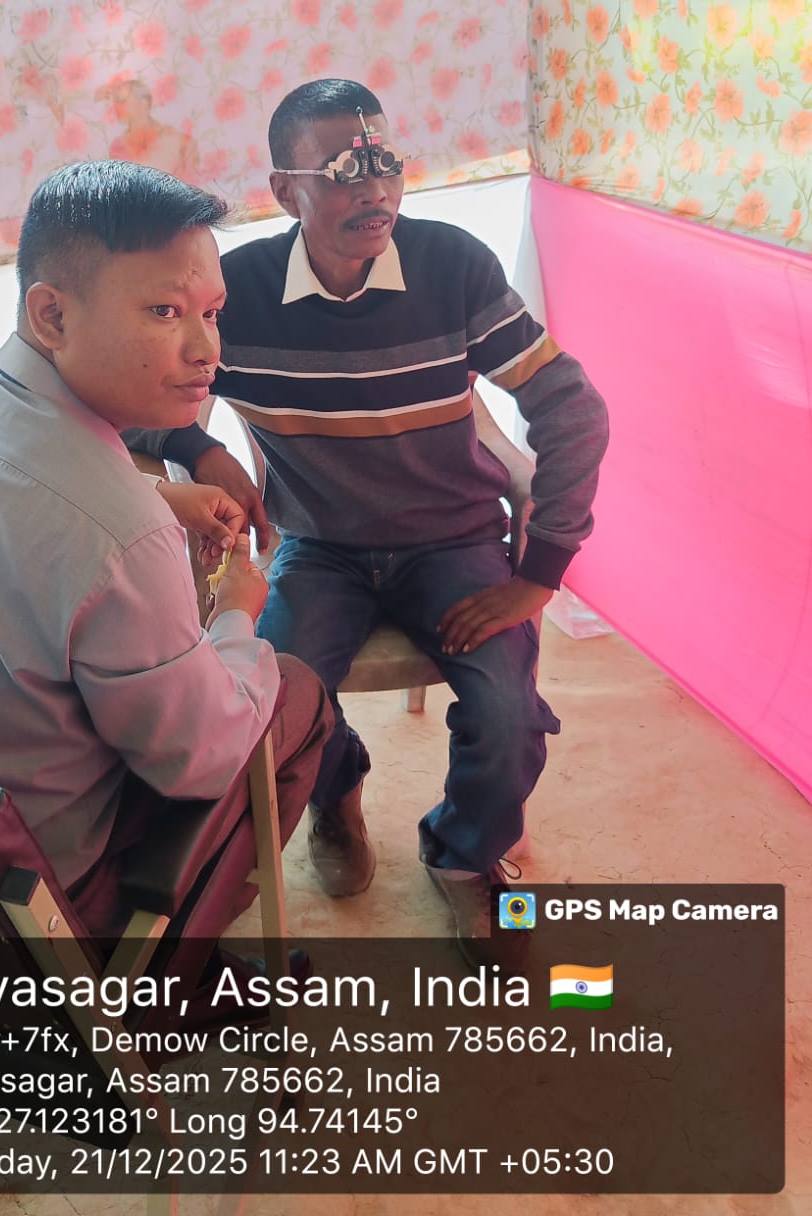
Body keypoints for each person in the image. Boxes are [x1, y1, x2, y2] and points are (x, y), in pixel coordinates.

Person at [131, 78, 609, 953]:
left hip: (454, 539)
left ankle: (464, 855)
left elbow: (571, 406)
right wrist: (200, 449)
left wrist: (539, 576)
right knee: (270, 703)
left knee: (508, 713)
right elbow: (135, 397)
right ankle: (337, 789)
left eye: (386, 161)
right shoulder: (235, 295)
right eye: (346, 170)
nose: (376, 188)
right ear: (285, 191)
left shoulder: (452, 267)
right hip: (321, 548)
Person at [0, 161, 332, 939]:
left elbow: (15, 498)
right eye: (164, 311)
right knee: (292, 694)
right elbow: (204, 759)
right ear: (52, 314)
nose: (206, 350)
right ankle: (159, 980)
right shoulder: (123, 535)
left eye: (212, 312)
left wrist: (158, 497)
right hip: (14, 904)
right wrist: (234, 612)